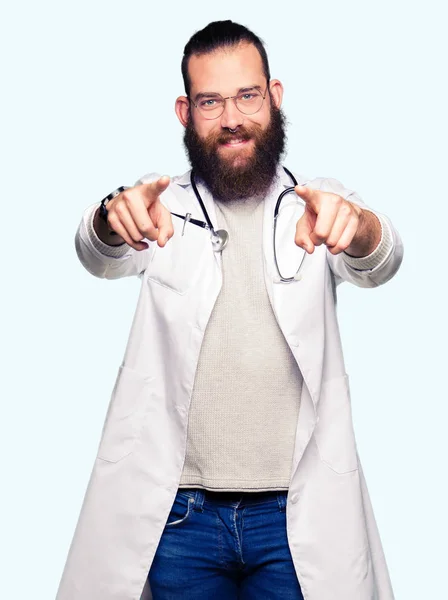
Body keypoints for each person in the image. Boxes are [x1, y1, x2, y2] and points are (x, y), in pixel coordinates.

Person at [56, 20, 403, 600]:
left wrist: (360, 228)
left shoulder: (316, 204)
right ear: (184, 112)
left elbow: (382, 258)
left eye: (248, 96)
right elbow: (97, 253)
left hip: (293, 516)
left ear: (275, 97)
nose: (232, 117)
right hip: (182, 519)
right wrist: (109, 217)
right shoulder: (158, 203)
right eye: (210, 101)